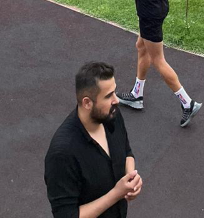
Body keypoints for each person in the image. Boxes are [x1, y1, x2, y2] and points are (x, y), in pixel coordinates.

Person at [44, 62, 141, 217]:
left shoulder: (111, 114)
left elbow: (126, 151)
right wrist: (116, 194)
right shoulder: (62, 154)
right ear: (87, 102)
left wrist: (131, 178)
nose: (116, 100)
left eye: (114, 92)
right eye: (108, 95)